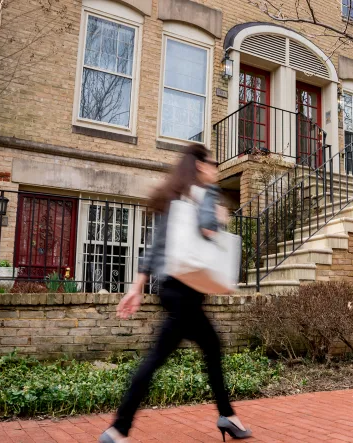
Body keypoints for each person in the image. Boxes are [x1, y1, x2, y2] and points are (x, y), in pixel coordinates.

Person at [100, 144, 251, 443]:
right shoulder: (204, 194)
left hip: (170, 288)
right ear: (200, 165)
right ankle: (118, 428)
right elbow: (208, 229)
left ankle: (227, 416)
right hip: (187, 292)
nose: (216, 169)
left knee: (209, 347)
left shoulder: (175, 198)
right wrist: (220, 218)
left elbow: (154, 247)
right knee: (160, 357)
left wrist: (136, 288)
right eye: (213, 163)